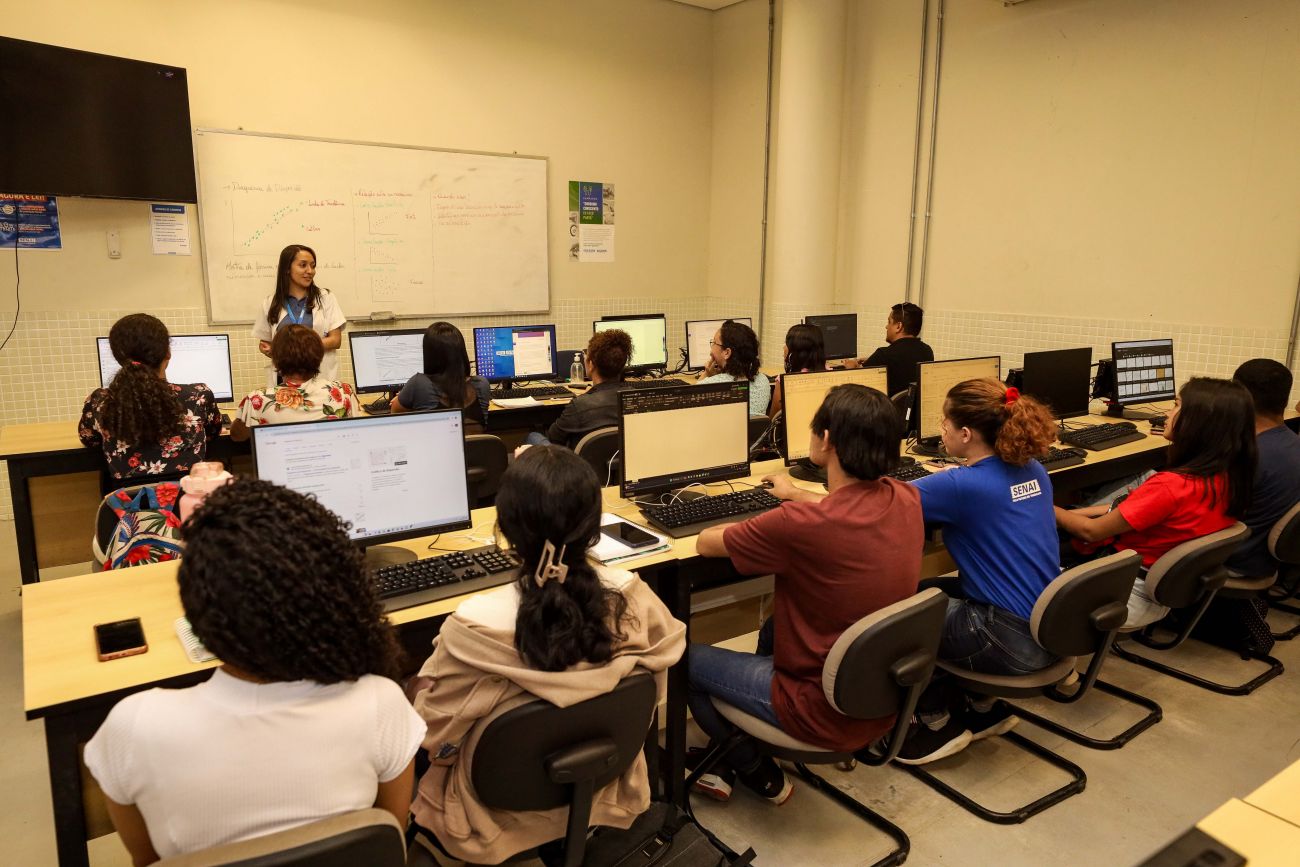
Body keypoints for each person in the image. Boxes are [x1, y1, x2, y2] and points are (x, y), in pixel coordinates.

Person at [84, 479, 424, 863]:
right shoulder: (381, 703)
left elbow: (149, 861)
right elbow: (389, 840)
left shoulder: (134, 727)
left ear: (198, 612)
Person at [409, 446, 685, 864]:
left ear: (504, 528)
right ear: (593, 528)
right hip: (601, 788)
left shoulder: (471, 627)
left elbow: (434, 738)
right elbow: (652, 693)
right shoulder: (635, 598)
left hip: (489, 815)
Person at [689, 384, 923, 803]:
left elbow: (706, 544)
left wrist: (763, 511)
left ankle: (753, 766)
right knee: (773, 628)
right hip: (880, 698)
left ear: (826, 439)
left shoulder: (798, 525)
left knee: (677, 658)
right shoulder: (906, 497)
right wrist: (797, 494)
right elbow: (843, 508)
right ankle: (737, 747)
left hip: (815, 709)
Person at [902, 378, 1061, 764]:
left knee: (894, 617)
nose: (941, 429)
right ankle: (982, 705)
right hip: (1051, 630)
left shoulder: (961, 485)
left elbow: (870, 504)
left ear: (966, 434)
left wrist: (795, 494)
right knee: (925, 590)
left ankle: (933, 720)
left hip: (1006, 641)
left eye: (944, 423)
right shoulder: (1033, 469)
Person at [1056, 377, 1257, 629]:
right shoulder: (1228, 478)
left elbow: (1091, 531)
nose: (1167, 413)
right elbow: (1133, 510)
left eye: (1176, 405)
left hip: (1119, 593)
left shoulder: (1171, 487)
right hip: (1157, 591)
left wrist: (1045, 506)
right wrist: (1071, 513)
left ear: (1199, 422)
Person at [79, 313, 223, 484]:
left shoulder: (99, 401)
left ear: (117, 356)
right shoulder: (199, 395)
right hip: (188, 498)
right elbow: (213, 433)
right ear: (167, 353)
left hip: (128, 500)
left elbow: (89, 439)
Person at [1226, 359, 1300, 577]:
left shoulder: (1248, 457)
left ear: (1240, 397)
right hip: (1264, 559)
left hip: (1232, 560)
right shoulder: (1292, 444)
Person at [230, 325, 356, 441]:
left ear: (276, 360)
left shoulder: (257, 400)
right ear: (319, 356)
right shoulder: (343, 392)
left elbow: (237, 436)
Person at [251, 244, 346, 388]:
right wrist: (268, 349)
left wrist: (295, 349)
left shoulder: (326, 298)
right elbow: (265, 343)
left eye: (313, 266)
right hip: (284, 383)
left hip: (321, 380)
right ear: (287, 269)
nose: (310, 271)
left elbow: (335, 340)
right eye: (303, 265)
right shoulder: (270, 303)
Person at [525, 328, 632, 450]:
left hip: (581, 462)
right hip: (623, 459)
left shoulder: (579, 405)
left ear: (591, 364)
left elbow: (553, 438)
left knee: (533, 436)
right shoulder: (636, 398)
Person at [390, 321, 489, 429]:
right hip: (475, 441)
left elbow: (395, 415)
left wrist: (403, 397)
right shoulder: (481, 384)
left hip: (436, 440)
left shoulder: (419, 383)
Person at [853, 302, 933, 397]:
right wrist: (872, 360)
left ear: (898, 326)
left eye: (889, 322)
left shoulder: (884, 355)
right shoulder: (927, 351)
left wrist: (852, 368)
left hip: (887, 407)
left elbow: (858, 388)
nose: (886, 327)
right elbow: (905, 361)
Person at [697, 319, 772, 415]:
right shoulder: (763, 381)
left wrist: (706, 374)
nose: (711, 350)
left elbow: (689, 404)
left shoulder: (709, 385)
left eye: (714, 343)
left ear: (727, 352)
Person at [767, 323, 828, 419]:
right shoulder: (830, 373)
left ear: (793, 352)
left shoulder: (784, 381)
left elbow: (773, 418)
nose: (784, 348)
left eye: (786, 344)